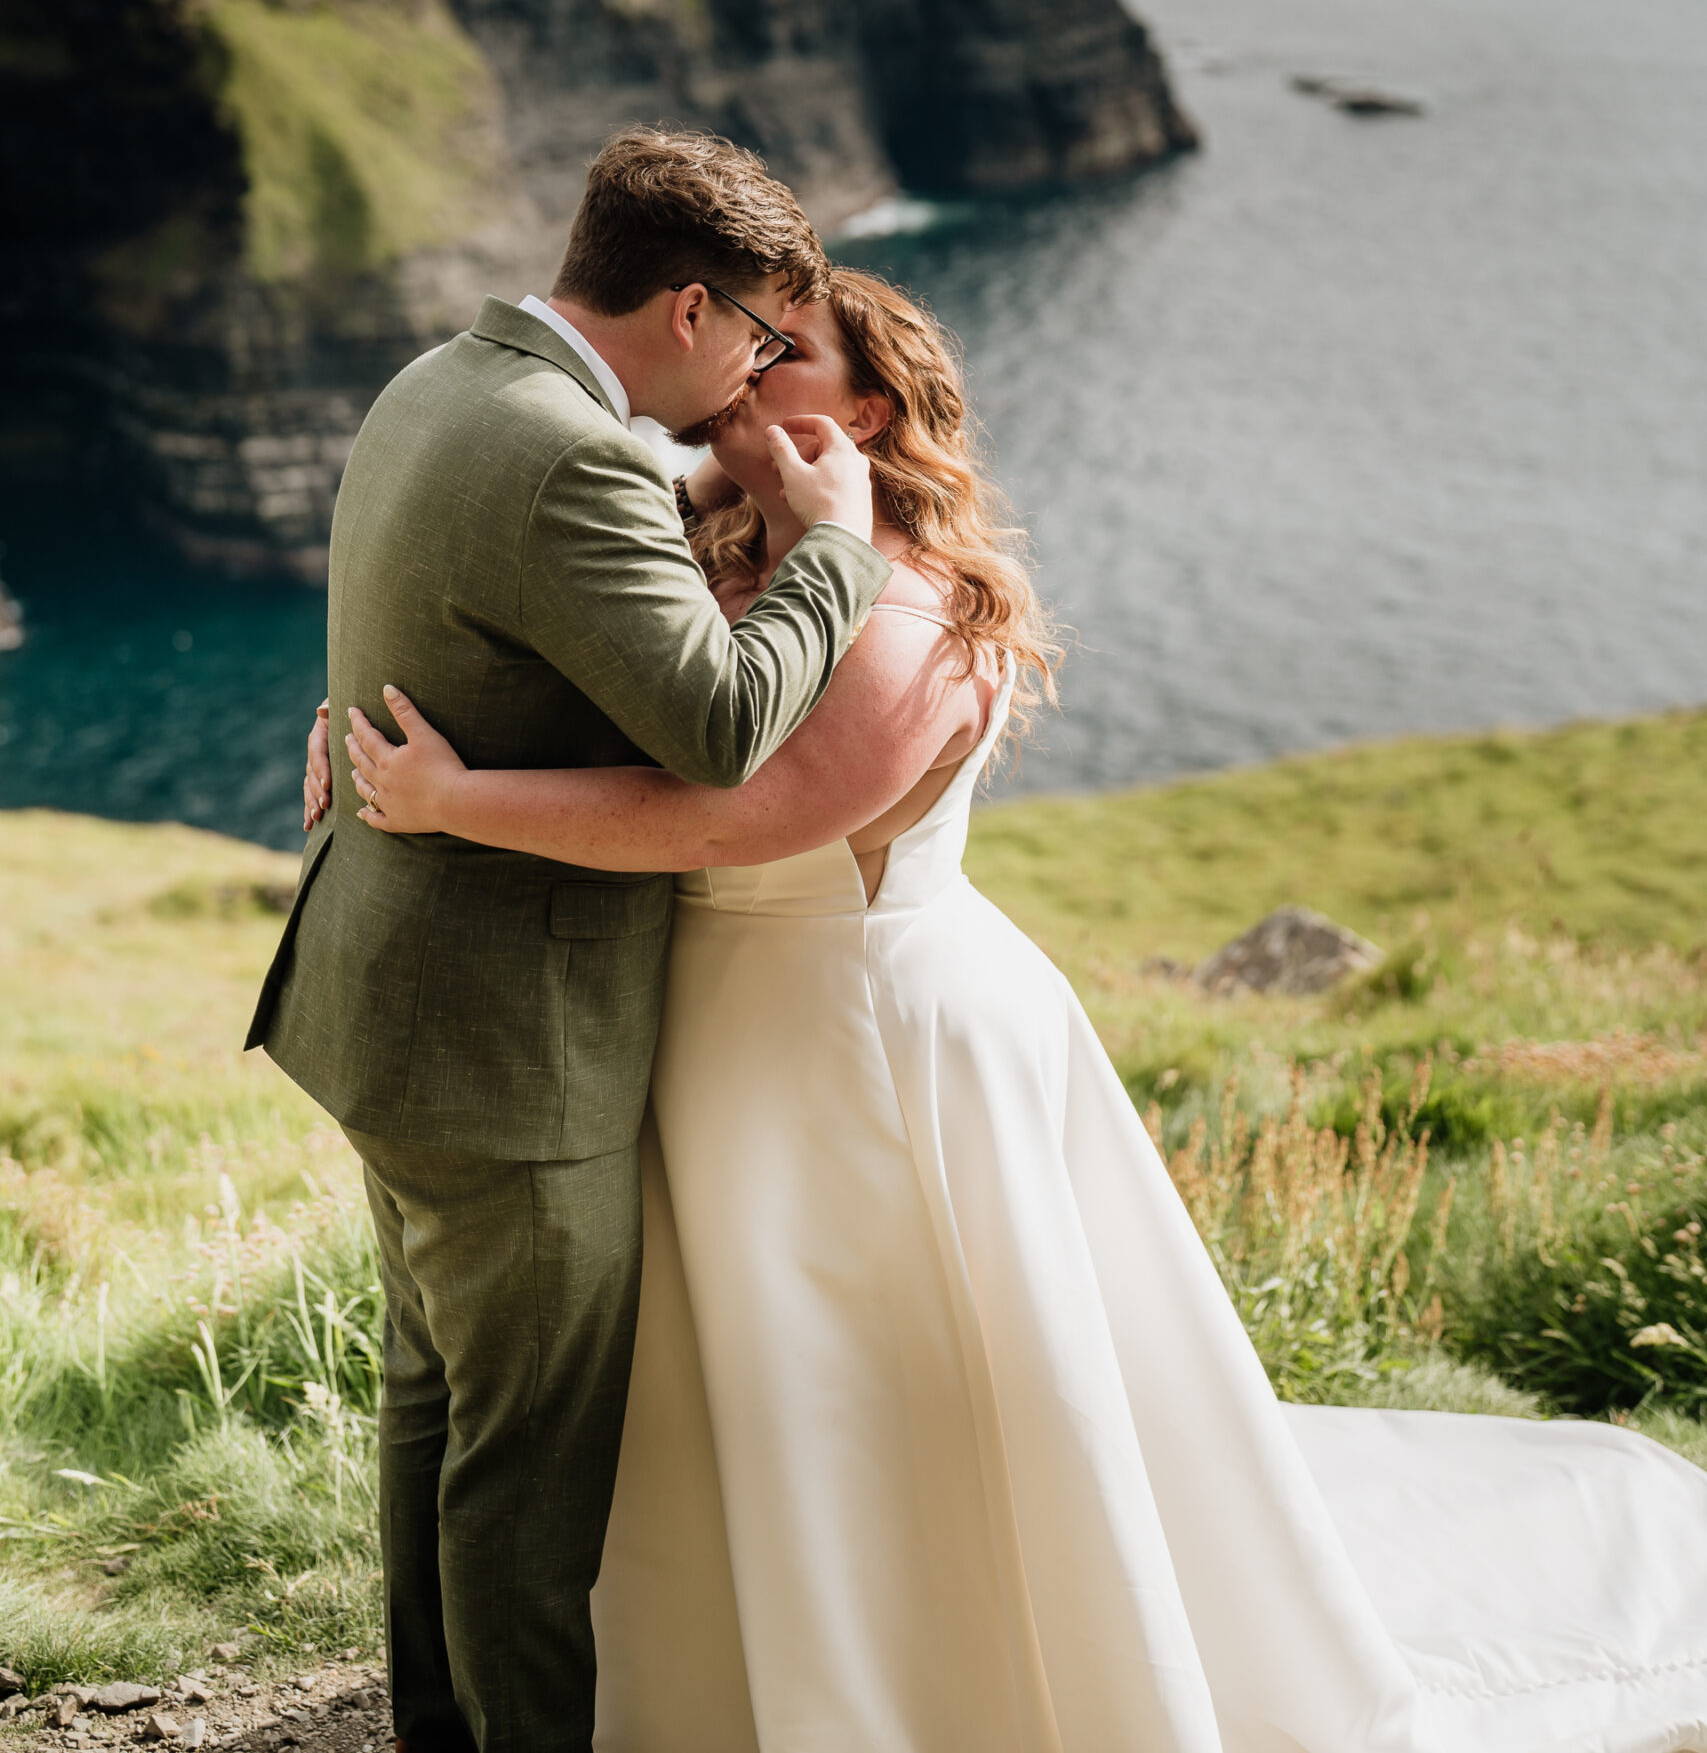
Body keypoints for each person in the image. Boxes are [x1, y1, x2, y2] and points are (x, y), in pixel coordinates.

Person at [319, 269, 1707, 1753]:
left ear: (864, 413)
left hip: (864, 1048)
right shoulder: (696, 526)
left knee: (902, 1397)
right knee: (747, 1394)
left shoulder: (910, 607)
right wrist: (362, 715)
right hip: (709, 1045)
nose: (735, 378)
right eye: (740, 344)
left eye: (783, 359)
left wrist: (459, 803)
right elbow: (508, 604)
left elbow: (743, 818)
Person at [253, 130, 894, 1753]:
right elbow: (723, 725)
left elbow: (480, 593)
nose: (756, 370)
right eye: (753, 334)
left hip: (379, 1001)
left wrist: (713, 488)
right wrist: (838, 545)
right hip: (505, 1049)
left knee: (436, 1412)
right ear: (687, 305)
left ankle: (434, 1733)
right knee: (524, 1491)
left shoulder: (438, 381)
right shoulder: (576, 460)